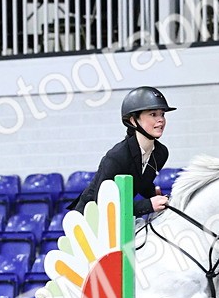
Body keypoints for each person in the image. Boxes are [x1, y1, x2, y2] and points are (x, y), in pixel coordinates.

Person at [73, 86, 175, 215]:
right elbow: (103, 204)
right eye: (153, 114)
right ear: (133, 120)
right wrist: (148, 205)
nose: (161, 120)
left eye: (162, 114)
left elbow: (141, 182)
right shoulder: (117, 157)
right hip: (90, 217)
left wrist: (156, 195)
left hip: (120, 217)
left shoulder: (161, 153)